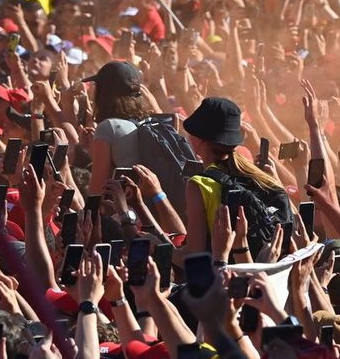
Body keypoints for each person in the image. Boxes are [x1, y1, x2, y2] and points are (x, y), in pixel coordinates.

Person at [182, 96, 291, 254]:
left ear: (198, 140)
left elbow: (195, 256)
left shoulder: (199, 184)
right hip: (270, 273)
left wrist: (158, 244)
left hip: (228, 275)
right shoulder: (262, 175)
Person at [86, 60, 155, 194]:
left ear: (103, 93)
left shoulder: (108, 127)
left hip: (125, 212)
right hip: (153, 210)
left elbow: (97, 193)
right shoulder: (150, 122)